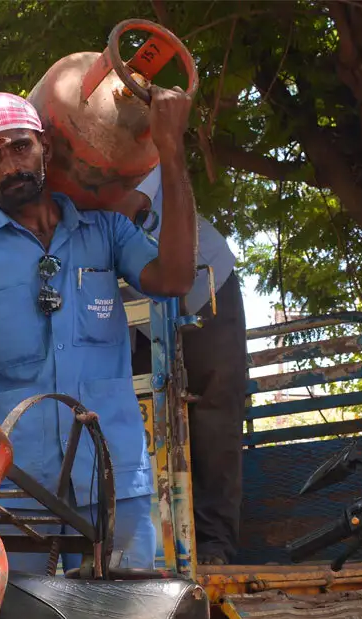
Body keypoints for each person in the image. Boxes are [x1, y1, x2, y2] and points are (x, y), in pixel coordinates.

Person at [0, 90, 196, 573]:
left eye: (20, 146)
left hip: (113, 481)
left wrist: (171, 150)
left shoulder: (106, 232)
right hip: (14, 488)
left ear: (44, 146)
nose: (9, 164)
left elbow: (174, 279)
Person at [116, 169, 245, 566]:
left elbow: (133, 197)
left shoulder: (124, 128)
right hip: (131, 309)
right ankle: (152, 548)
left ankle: (214, 544)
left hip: (203, 283)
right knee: (143, 419)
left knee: (211, 410)